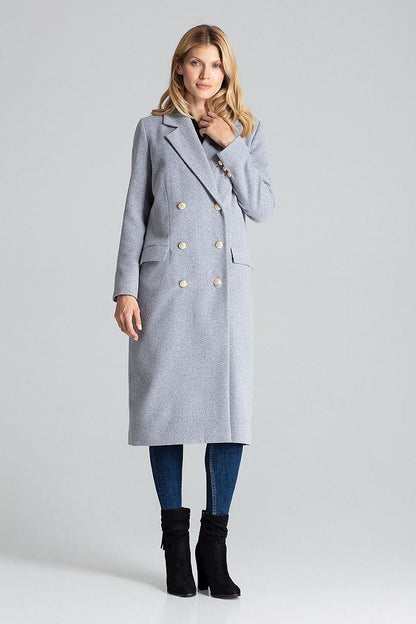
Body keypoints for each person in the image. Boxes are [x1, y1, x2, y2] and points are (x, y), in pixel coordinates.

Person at [112, 24, 276, 599]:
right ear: (179, 67)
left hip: (224, 291)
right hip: (167, 287)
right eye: (196, 63)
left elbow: (263, 206)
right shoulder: (152, 130)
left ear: (227, 71)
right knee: (166, 412)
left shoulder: (246, 130)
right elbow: (135, 211)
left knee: (229, 417)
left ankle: (215, 548)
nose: (206, 74)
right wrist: (125, 289)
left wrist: (230, 144)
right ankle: (175, 548)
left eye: (216, 64)